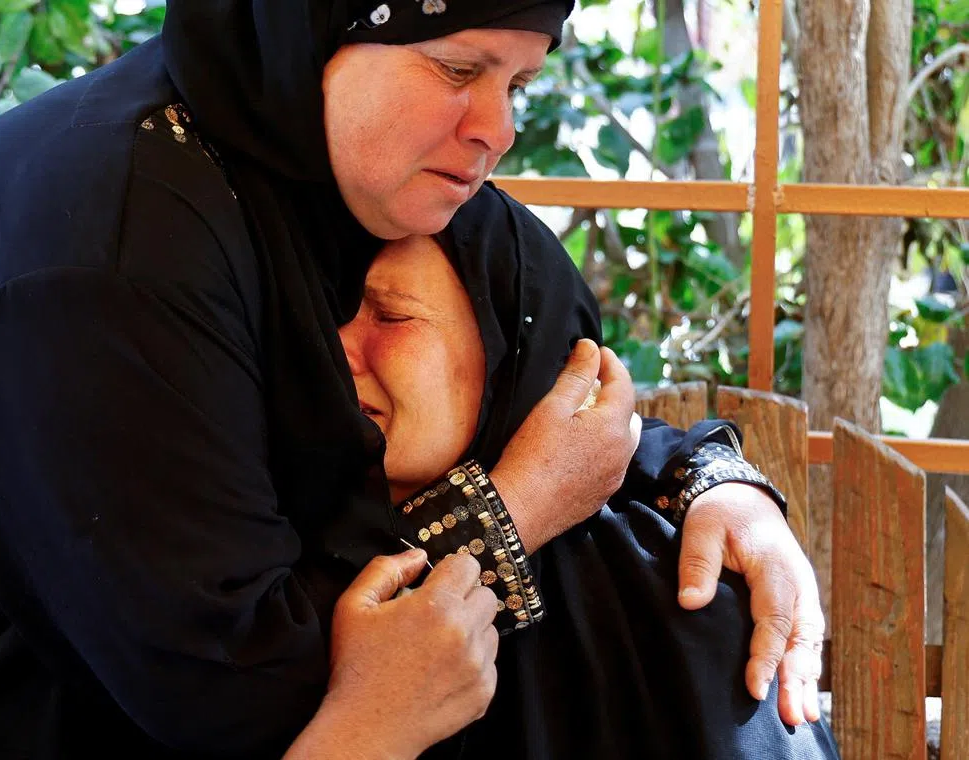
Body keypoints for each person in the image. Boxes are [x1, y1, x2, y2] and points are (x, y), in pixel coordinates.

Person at [0, 2, 821, 757]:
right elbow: (258, 700)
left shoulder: (311, 164)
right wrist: (512, 510)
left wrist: (699, 473)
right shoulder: (113, 253)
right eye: (458, 67)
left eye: (517, 83)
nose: (499, 127)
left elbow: (559, 403)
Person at [337, 185, 839, 758]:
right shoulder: (258, 527)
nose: (337, 346)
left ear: (517, 355)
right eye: (331, 313)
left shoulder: (666, 593)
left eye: (391, 314)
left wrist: (713, 476)